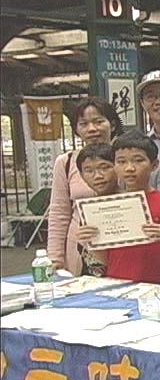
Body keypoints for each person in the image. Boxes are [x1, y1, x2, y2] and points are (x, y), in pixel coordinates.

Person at [76, 131, 160, 285]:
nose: (129, 168)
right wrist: (88, 242)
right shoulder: (105, 207)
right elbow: (107, 260)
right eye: (121, 162)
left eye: (138, 160)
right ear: (115, 166)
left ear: (154, 165)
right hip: (117, 286)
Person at [47, 97, 123, 276]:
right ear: (76, 129)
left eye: (99, 121)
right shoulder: (65, 162)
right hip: (79, 248)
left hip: (122, 243)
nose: (92, 129)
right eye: (84, 124)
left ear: (112, 125)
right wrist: (55, 258)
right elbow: (59, 212)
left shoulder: (125, 158)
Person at [74, 143, 118, 276]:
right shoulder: (88, 208)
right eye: (89, 171)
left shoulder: (130, 204)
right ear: (81, 175)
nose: (98, 176)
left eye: (105, 168)